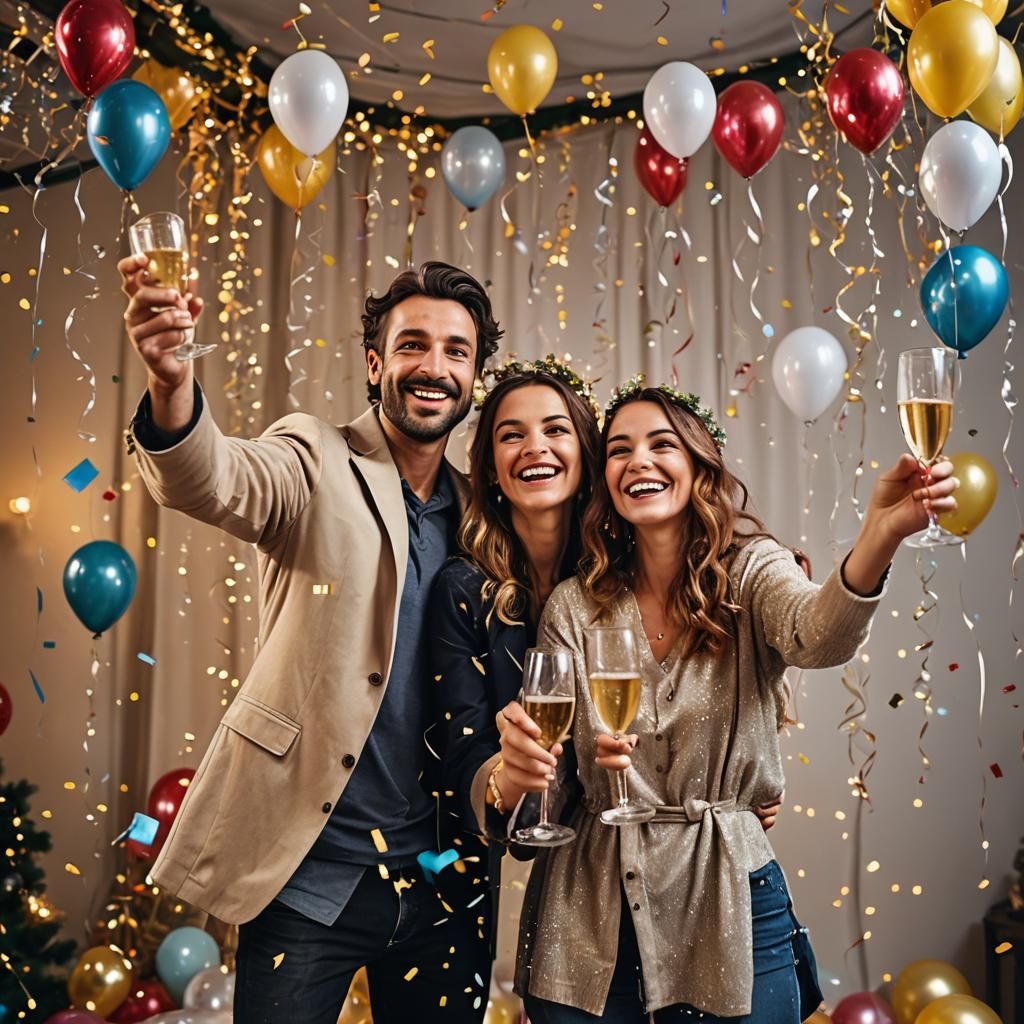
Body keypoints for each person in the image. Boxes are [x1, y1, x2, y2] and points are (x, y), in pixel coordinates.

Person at [499, 378, 958, 1023]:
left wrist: (881, 533)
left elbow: (817, 635)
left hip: (729, 900)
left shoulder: (751, 571)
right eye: (620, 450)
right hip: (586, 918)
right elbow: (556, 780)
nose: (640, 462)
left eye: (662, 444)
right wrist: (556, 770)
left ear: (698, 463)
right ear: (604, 479)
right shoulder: (576, 605)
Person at [118, 254, 501, 1024]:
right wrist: (170, 383)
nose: (434, 367)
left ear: (475, 376)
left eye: (456, 352)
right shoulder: (315, 456)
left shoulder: (483, 515)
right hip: (308, 877)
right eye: (412, 345)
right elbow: (213, 476)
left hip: (446, 885)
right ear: (375, 362)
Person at [429, 362, 782, 999]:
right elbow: (464, 757)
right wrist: (510, 778)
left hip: (685, 873)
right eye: (510, 435)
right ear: (486, 467)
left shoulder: (626, 571)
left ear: (589, 457)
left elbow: (724, 665)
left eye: (556, 430)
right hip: (520, 871)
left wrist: (738, 773)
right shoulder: (464, 587)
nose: (535, 447)